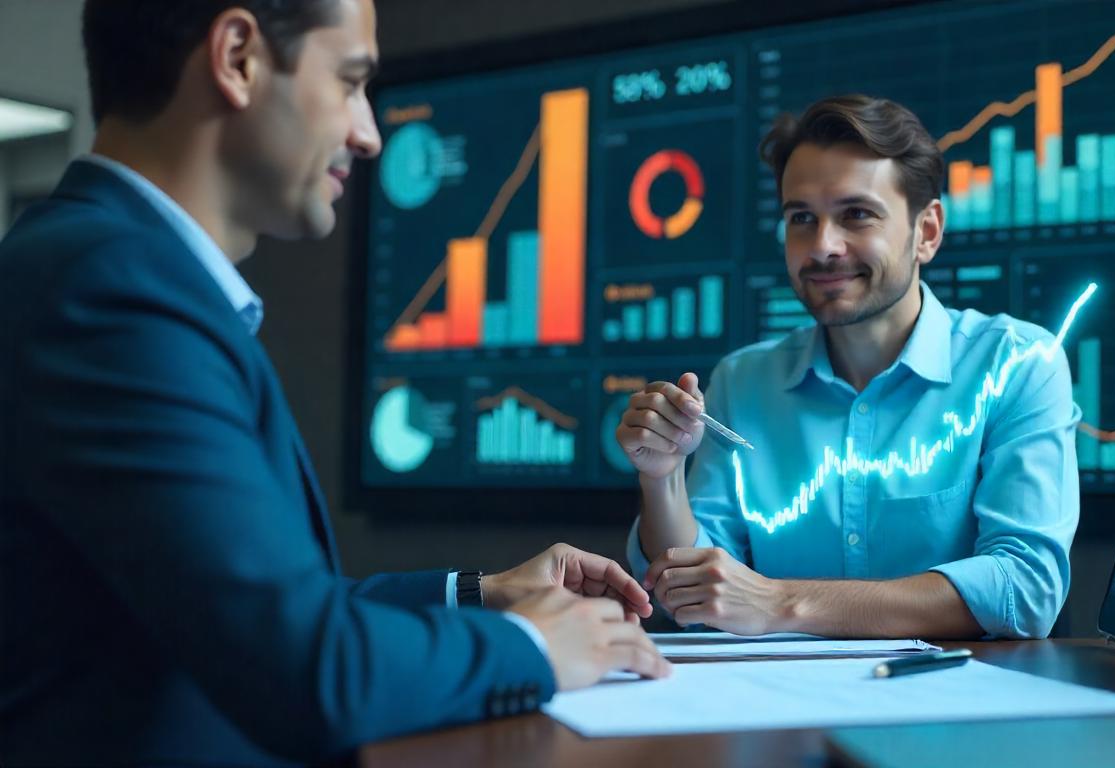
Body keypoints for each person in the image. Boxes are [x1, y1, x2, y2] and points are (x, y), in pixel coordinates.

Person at [0, 1, 668, 765]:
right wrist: (531, 646)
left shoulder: (103, 271)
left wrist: (482, 594)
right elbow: (307, 670)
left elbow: (255, 611)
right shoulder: (114, 293)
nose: (369, 133)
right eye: (351, 82)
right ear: (238, 57)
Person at [617, 94, 1080, 641]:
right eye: (801, 219)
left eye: (856, 214)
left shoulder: (1019, 363)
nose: (823, 246)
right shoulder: (742, 382)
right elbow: (687, 596)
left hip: (948, 711)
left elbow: (1025, 588)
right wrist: (662, 477)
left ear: (927, 232)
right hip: (775, 710)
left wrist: (782, 602)